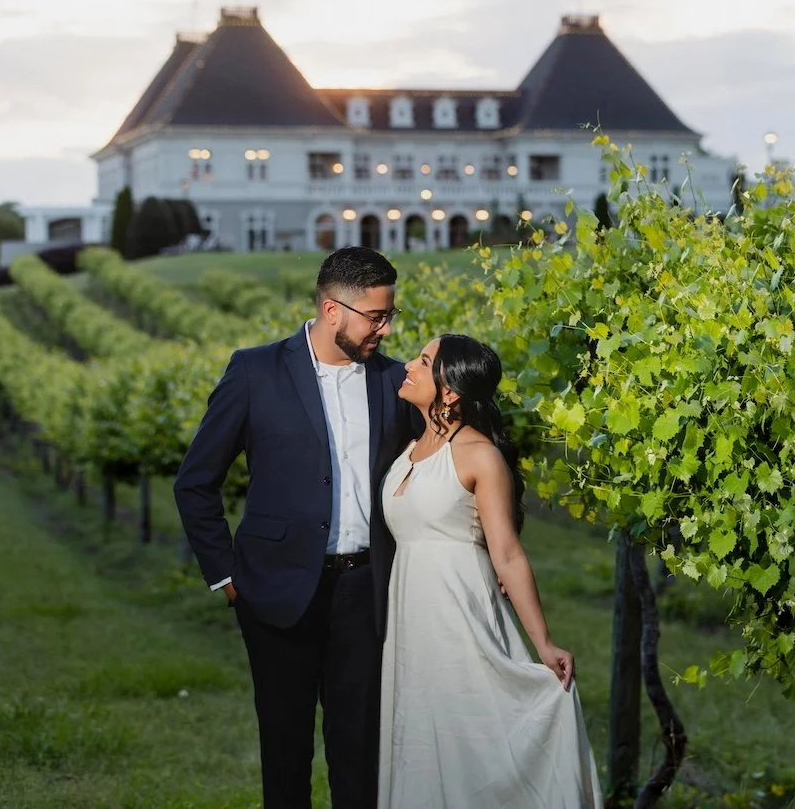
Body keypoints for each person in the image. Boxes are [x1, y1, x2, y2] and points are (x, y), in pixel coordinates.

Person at [174, 247, 422, 809]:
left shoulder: (394, 381)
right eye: (375, 317)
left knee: (359, 755)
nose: (385, 329)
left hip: (367, 593)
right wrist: (226, 576)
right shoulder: (254, 371)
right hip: (274, 590)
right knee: (285, 754)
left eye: (390, 316)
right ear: (333, 310)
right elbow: (195, 483)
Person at [378, 333, 601, 808]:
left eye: (422, 361)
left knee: (471, 737)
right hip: (412, 620)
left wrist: (543, 642)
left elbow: (509, 554)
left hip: (461, 616)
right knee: (423, 737)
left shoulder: (479, 455)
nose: (408, 368)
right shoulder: (409, 446)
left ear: (451, 391)